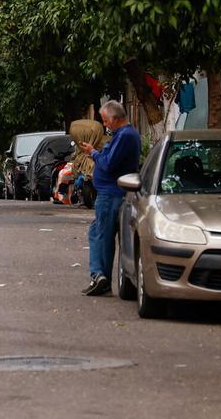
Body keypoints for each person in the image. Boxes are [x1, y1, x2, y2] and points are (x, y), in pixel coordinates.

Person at [79, 100, 140, 296]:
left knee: (101, 235)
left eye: (106, 121)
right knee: (99, 233)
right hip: (110, 193)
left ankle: (100, 276)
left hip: (111, 194)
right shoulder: (122, 135)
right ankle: (100, 276)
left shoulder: (125, 136)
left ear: (115, 118)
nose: (105, 125)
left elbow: (109, 163)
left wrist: (93, 153)